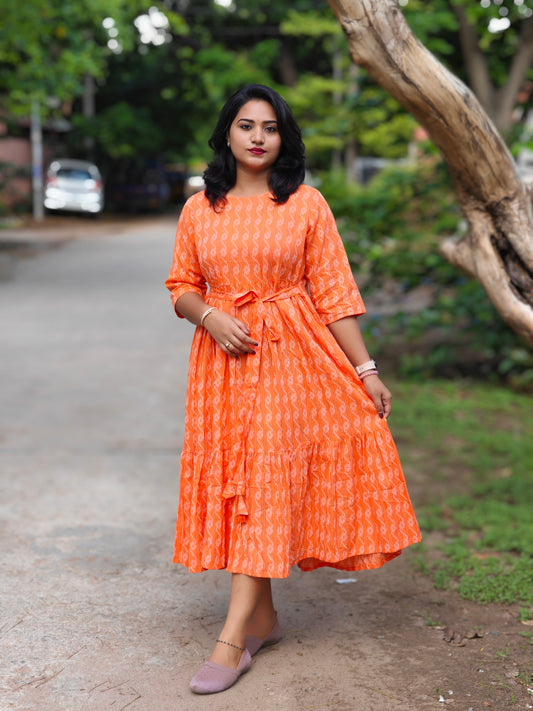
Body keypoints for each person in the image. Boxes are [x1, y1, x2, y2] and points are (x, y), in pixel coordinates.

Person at [165, 84, 421, 695]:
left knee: (266, 485)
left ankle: (232, 642)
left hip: (292, 362)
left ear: (284, 138)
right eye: (246, 125)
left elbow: (334, 295)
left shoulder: (306, 204)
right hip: (223, 365)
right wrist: (210, 316)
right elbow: (181, 286)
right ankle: (265, 618)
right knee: (241, 485)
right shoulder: (202, 209)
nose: (258, 136)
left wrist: (366, 371)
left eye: (271, 127)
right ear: (227, 133)